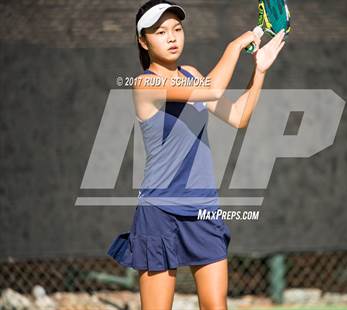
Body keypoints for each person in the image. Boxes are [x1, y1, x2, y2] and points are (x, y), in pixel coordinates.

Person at [107, 0, 286, 309]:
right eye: (161, 32)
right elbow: (214, 90)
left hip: (203, 210)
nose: (172, 37)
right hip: (159, 212)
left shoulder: (190, 74)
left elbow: (238, 117)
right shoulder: (144, 84)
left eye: (177, 29)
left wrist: (259, 72)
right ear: (143, 40)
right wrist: (236, 44)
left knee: (216, 305)